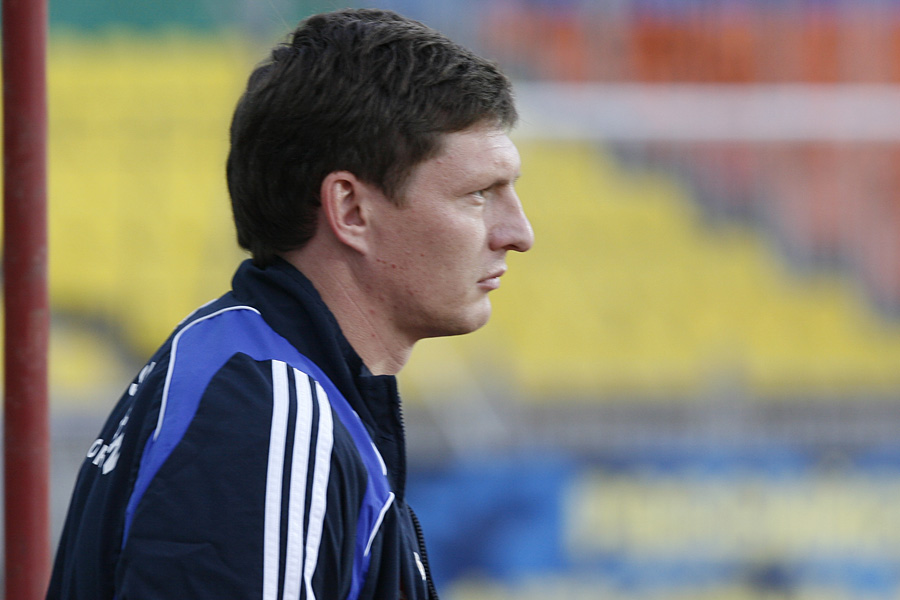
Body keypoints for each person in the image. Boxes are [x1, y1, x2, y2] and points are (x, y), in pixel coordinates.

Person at [47, 7, 533, 600]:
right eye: (479, 195)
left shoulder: (251, 375)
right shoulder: (268, 415)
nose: (519, 233)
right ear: (350, 210)